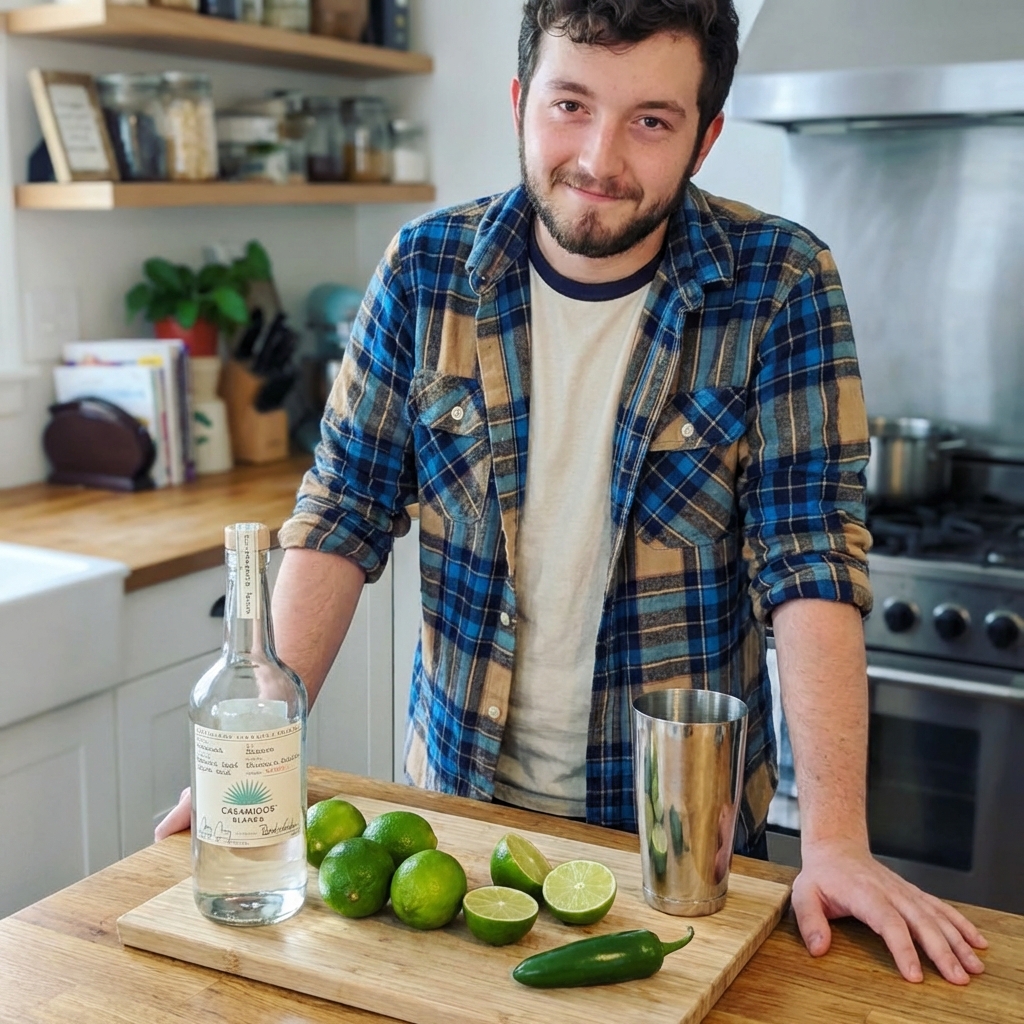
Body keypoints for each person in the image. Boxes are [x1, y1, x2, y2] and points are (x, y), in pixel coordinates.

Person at [158, 0, 987, 985]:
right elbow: (341, 510)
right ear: (519, 101)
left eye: (649, 120)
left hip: (678, 840)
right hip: (456, 828)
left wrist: (837, 841)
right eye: (569, 105)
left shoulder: (780, 284)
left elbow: (810, 561)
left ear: (704, 135)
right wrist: (258, 754)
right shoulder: (426, 273)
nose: (597, 157)